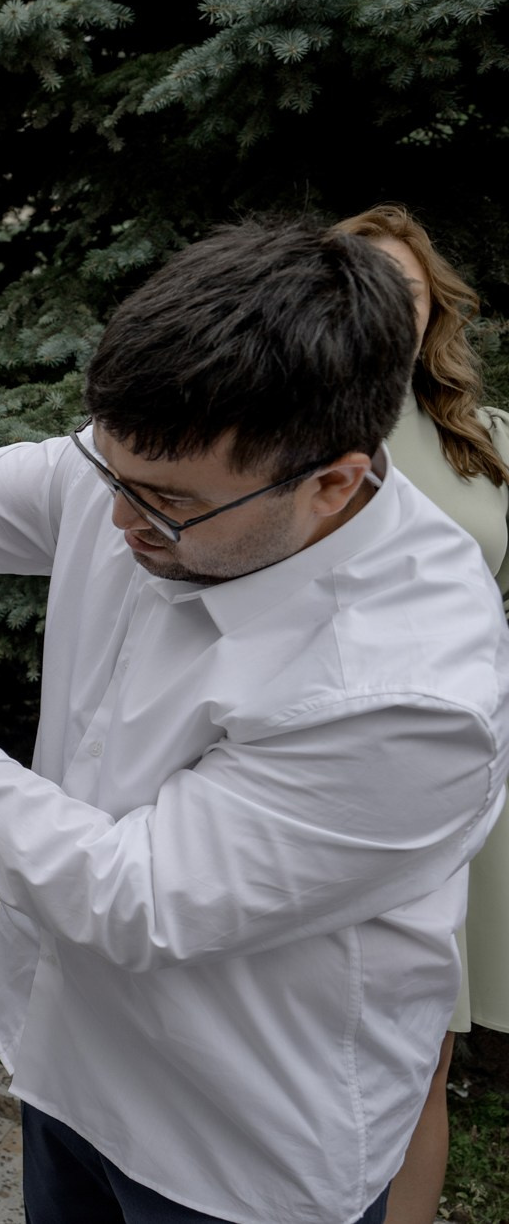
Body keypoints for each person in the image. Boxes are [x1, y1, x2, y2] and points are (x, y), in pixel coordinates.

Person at [0, 221, 509, 1224]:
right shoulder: (152, 471)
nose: (117, 521)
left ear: (331, 484)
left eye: (167, 505)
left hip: (234, 1150)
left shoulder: (406, 692)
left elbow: (138, 894)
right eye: (109, 474)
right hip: (69, 1071)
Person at [333, 203, 509, 1224]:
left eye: (400, 290)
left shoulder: (487, 444)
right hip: (325, 766)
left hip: (457, 771)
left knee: (418, 1057)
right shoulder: (285, 427)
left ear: (430, 308)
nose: (379, 307)